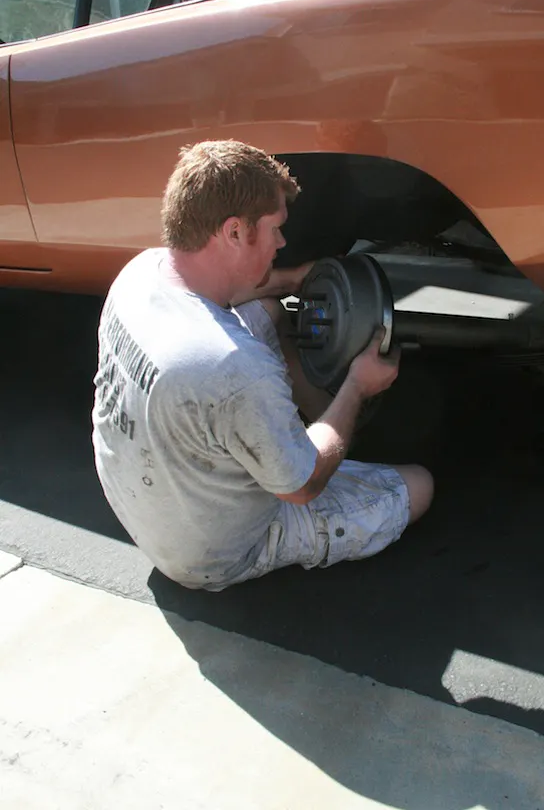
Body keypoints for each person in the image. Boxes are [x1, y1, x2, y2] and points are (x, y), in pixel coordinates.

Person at [91, 140, 434, 591]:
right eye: (275, 229)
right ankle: (323, 431)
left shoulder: (142, 272)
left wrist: (291, 279)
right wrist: (357, 386)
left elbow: (234, 295)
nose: (282, 242)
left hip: (142, 501)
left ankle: (313, 424)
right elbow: (303, 488)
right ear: (234, 232)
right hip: (211, 552)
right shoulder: (233, 367)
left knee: (267, 312)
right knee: (419, 486)